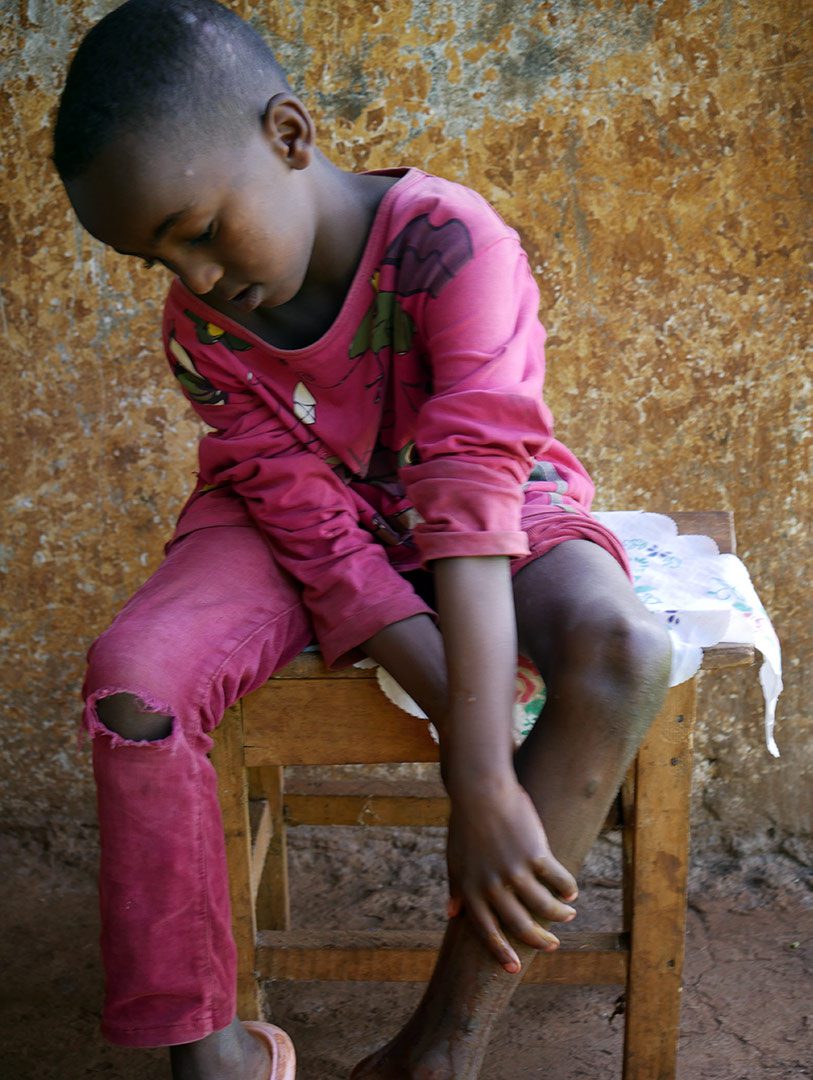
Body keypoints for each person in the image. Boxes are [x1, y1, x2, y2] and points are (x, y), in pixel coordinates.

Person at [53, 1, 672, 1077]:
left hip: (486, 500)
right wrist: (458, 712)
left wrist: (483, 780)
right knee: (134, 681)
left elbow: (473, 506)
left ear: (289, 136)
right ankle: (218, 1058)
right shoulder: (203, 325)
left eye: (198, 230)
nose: (193, 281)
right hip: (284, 523)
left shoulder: (452, 245)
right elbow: (310, 525)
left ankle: (438, 1049)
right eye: (155, 259)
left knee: (626, 653)